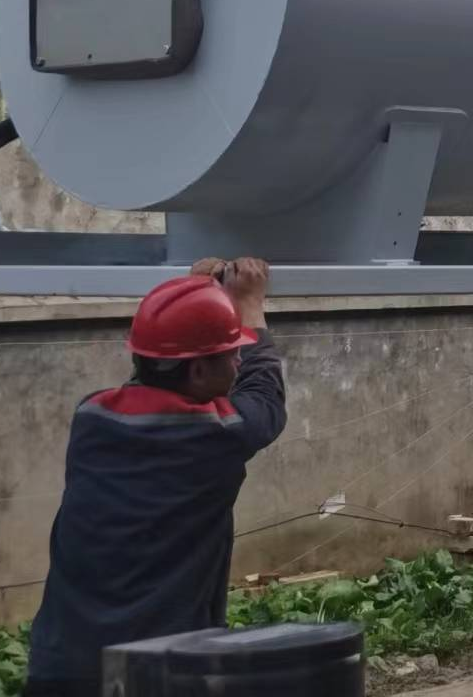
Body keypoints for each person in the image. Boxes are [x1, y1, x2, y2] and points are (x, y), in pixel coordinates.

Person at [24, 259, 285, 695]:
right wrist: (250, 305)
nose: (238, 360)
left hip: (62, 666)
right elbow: (264, 394)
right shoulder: (216, 433)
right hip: (154, 673)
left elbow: (150, 376)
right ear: (198, 371)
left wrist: (196, 298)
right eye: (231, 353)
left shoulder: (92, 416)